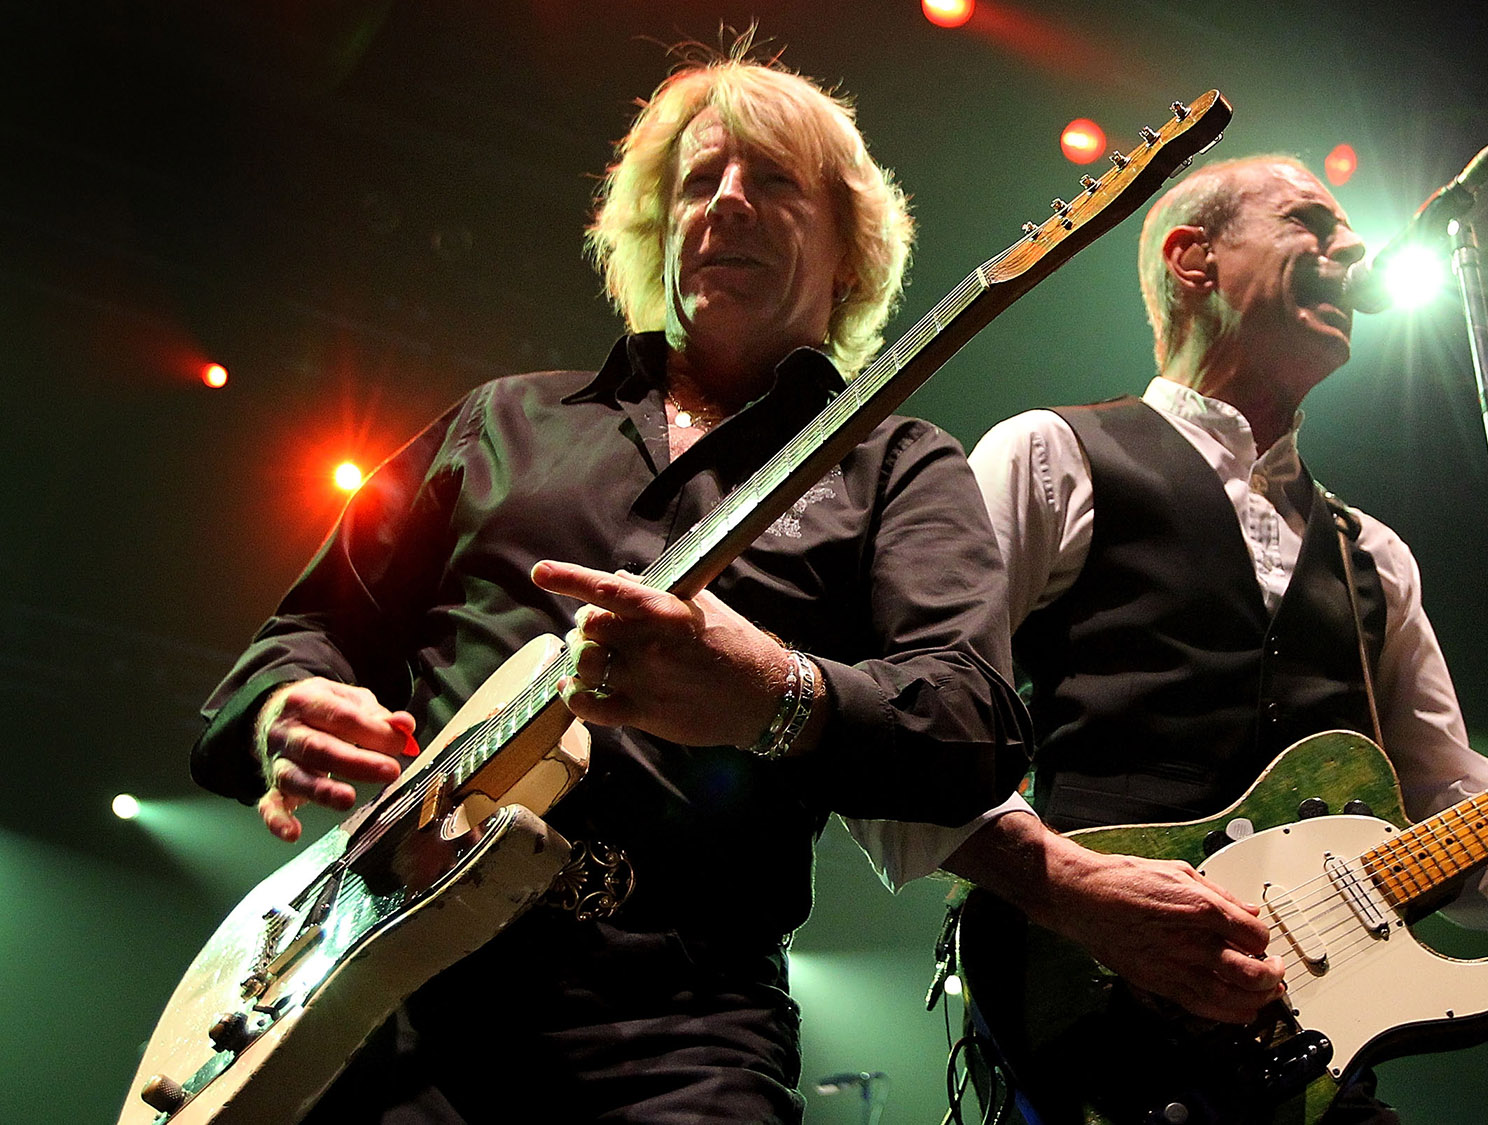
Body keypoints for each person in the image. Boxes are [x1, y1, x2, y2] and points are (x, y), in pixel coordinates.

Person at [857, 154, 1488, 1121]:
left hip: (1302, 1065)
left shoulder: (1377, 558)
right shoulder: (1051, 456)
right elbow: (915, 731)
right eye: (1311, 226)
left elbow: (1476, 827)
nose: (1354, 250)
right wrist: (1079, 893)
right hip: (1098, 1042)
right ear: (1194, 260)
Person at [188, 51, 1028, 1123]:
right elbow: (303, 633)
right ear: (654, 231)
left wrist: (779, 695)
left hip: (684, 1023)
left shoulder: (898, 462)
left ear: (851, 251)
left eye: (773, 180)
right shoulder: (501, 421)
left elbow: (974, 724)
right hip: (388, 991)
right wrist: (283, 711)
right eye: (698, 181)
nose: (728, 201)